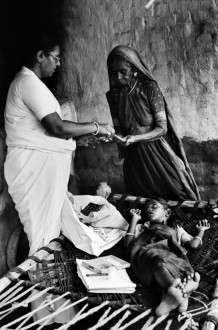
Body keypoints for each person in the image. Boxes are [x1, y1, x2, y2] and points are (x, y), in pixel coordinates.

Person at [4, 32, 115, 256]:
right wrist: (96, 127)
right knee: (41, 234)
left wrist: (84, 136)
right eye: (55, 57)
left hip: (35, 165)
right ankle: (37, 275)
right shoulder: (27, 82)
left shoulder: (32, 83)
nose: (59, 63)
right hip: (30, 166)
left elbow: (45, 132)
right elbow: (57, 127)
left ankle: (42, 267)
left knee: (46, 232)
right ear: (40, 56)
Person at [106, 45, 200, 201]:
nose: (118, 77)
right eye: (114, 72)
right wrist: (115, 136)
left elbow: (162, 128)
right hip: (134, 159)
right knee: (141, 202)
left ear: (133, 67)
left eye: (123, 72)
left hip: (158, 154)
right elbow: (119, 129)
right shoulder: (114, 95)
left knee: (177, 195)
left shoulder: (149, 87)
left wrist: (135, 138)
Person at [124, 198, 210, 316]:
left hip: (172, 257)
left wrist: (201, 231)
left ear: (167, 213)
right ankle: (183, 294)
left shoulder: (177, 229)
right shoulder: (142, 227)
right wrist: (134, 219)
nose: (149, 209)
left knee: (167, 263)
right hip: (147, 254)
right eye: (147, 208)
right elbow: (128, 244)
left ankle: (171, 298)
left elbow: (193, 245)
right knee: (158, 260)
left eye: (154, 206)